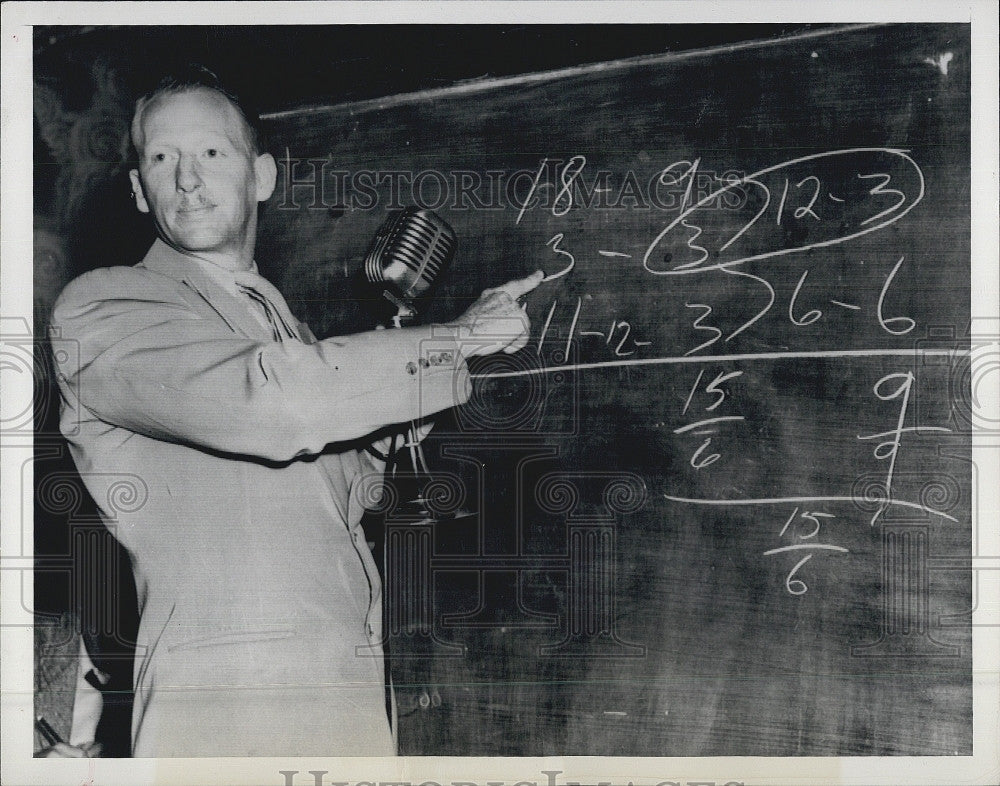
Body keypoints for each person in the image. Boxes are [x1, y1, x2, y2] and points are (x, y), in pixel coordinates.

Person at [47, 67, 542, 757]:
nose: (187, 179)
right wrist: (453, 341)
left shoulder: (283, 329)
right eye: (162, 158)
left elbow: (341, 489)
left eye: (212, 153)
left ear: (264, 177)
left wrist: (407, 414)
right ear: (138, 189)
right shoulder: (106, 307)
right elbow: (274, 404)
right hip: (225, 717)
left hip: (347, 702)